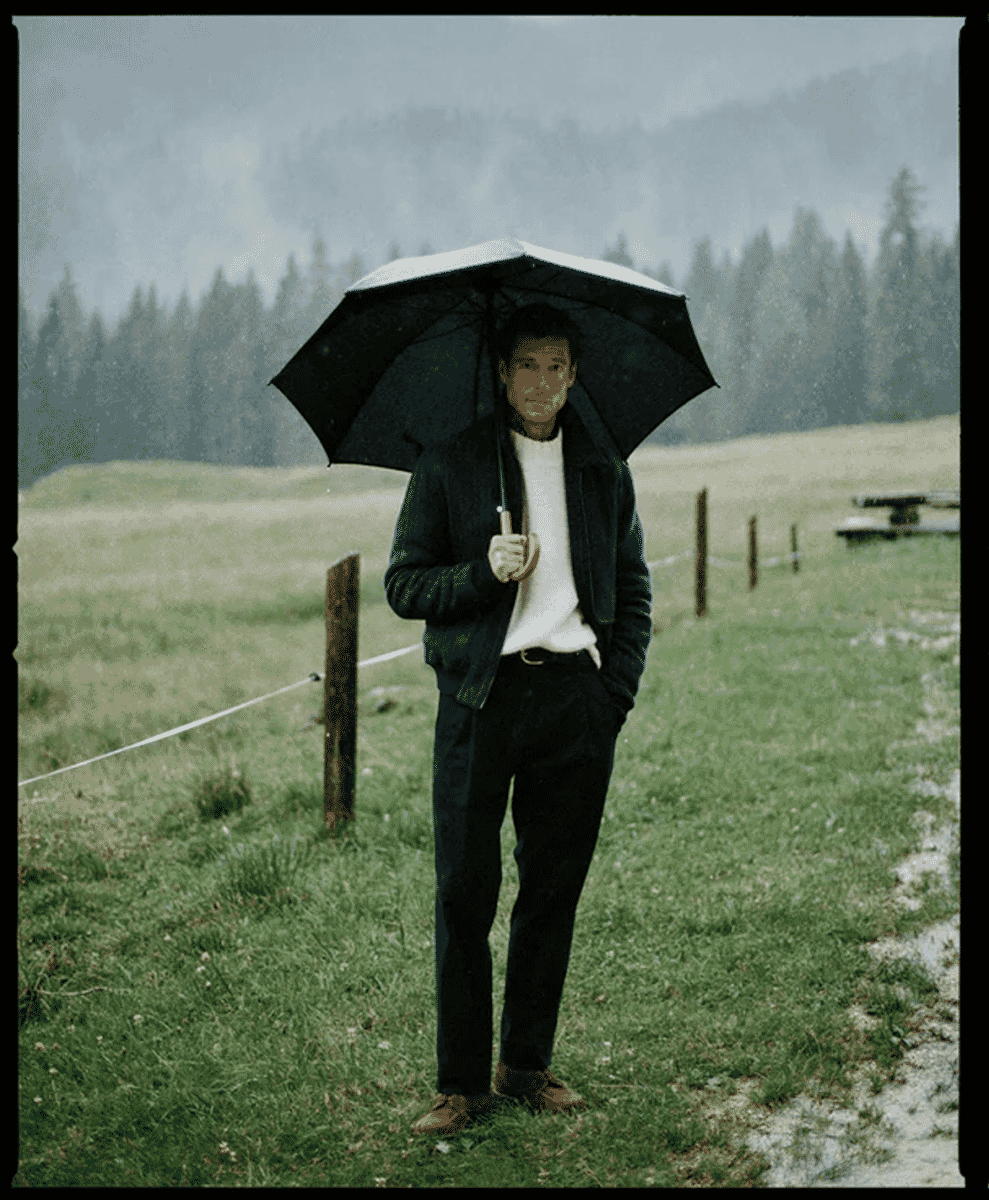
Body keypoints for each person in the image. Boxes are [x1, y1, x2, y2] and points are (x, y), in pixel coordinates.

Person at [383, 302, 653, 1137]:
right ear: (502, 376)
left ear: (574, 378)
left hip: (574, 698)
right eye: (527, 365)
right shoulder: (451, 466)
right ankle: (460, 1084)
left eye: (557, 366)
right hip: (479, 701)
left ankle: (526, 1065)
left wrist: (613, 695)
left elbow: (633, 591)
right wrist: (479, 572)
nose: (542, 382)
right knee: (465, 891)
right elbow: (403, 586)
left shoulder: (604, 469)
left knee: (551, 892)